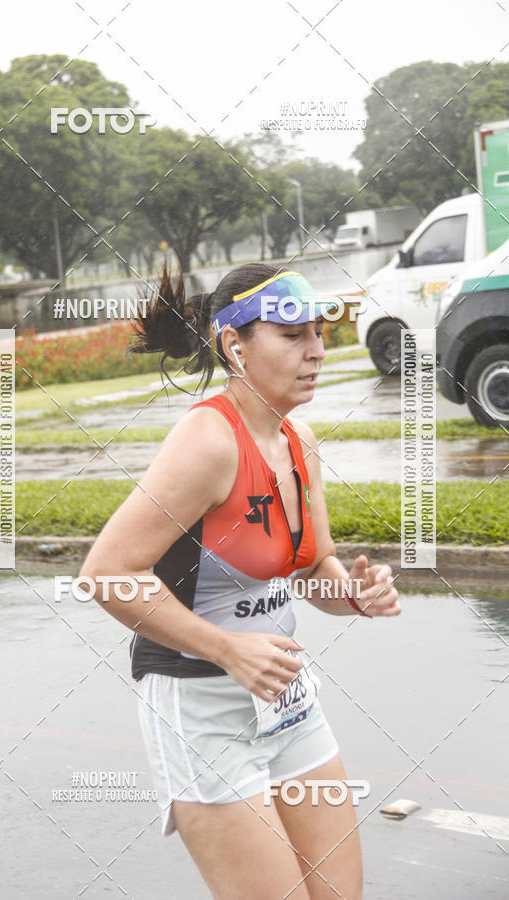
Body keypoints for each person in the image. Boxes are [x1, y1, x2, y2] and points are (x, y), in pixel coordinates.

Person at [79, 262, 401, 900]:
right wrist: (228, 649)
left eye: (318, 333)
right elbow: (107, 574)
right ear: (236, 345)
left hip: (286, 698)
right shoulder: (208, 440)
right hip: (200, 707)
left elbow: (311, 566)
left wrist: (353, 595)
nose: (317, 351)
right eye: (293, 336)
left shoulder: (299, 439)